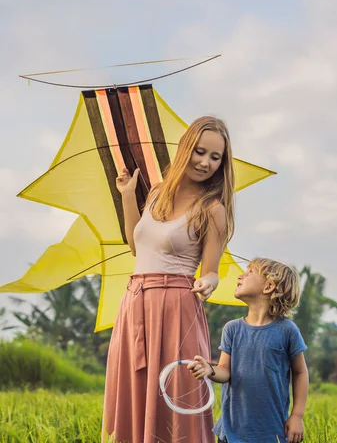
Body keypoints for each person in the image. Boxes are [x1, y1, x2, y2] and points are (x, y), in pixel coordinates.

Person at [102, 116, 235, 443]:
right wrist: (128, 195)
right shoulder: (159, 191)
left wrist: (209, 283)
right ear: (186, 149)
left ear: (222, 163)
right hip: (135, 303)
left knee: (178, 392)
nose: (205, 163)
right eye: (200, 152)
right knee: (137, 389)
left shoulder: (213, 209)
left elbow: (211, 271)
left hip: (176, 307)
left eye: (215, 157)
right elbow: (137, 245)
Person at [188, 257, 309, 443]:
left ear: (268, 286)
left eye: (249, 272)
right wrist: (209, 370)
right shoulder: (232, 329)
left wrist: (297, 416)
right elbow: (225, 371)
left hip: (271, 431)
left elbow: (300, 372)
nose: (240, 276)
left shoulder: (287, 330)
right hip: (231, 431)